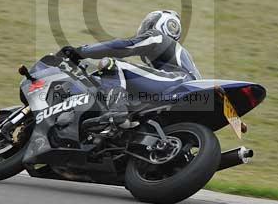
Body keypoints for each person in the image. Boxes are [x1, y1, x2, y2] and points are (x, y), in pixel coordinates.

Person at [60, 10, 200, 128]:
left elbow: (123, 46)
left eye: (149, 24)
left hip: (180, 82)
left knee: (111, 64)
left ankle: (117, 112)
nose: (146, 28)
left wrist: (80, 52)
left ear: (161, 25)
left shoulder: (158, 37)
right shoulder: (171, 55)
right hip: (186, 93)